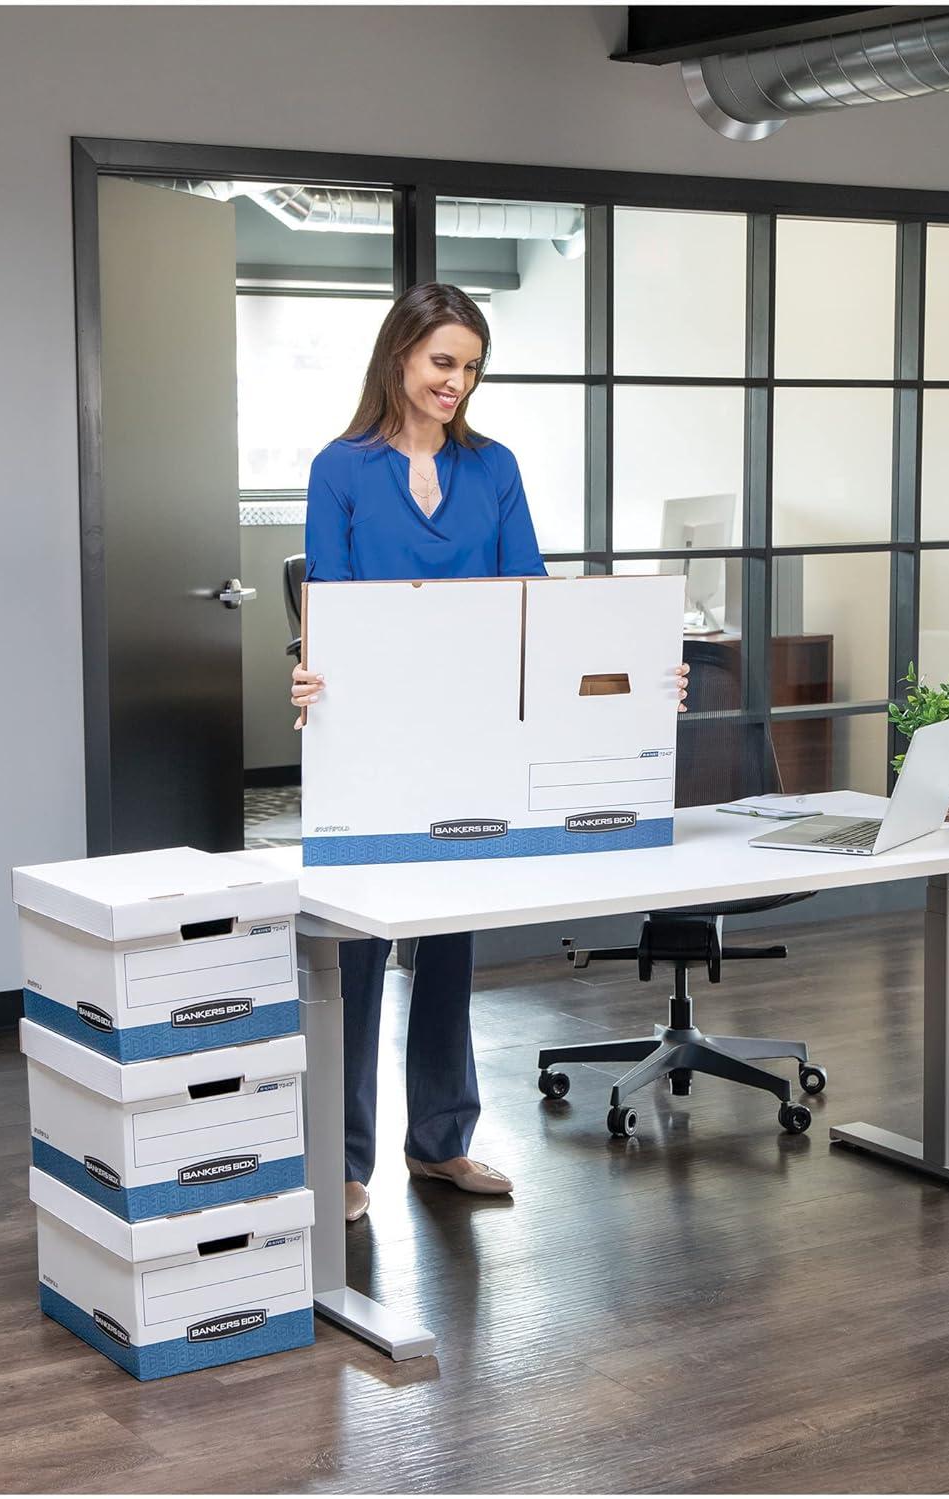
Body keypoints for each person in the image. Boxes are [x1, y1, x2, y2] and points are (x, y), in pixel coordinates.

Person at [291, 282, 687, 1224]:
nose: (456, 383)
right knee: (357, 946)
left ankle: (442, 1142)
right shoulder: (340, 469)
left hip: (475, 737)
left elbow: (539, 612)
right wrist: (309, 672)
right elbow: (335, 614)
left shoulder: (493, 466)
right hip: (377, 739)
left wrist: (636, 674)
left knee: (453, 944)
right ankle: (343, 1158)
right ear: (400, 356)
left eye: (470, 367)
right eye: (442, 362)